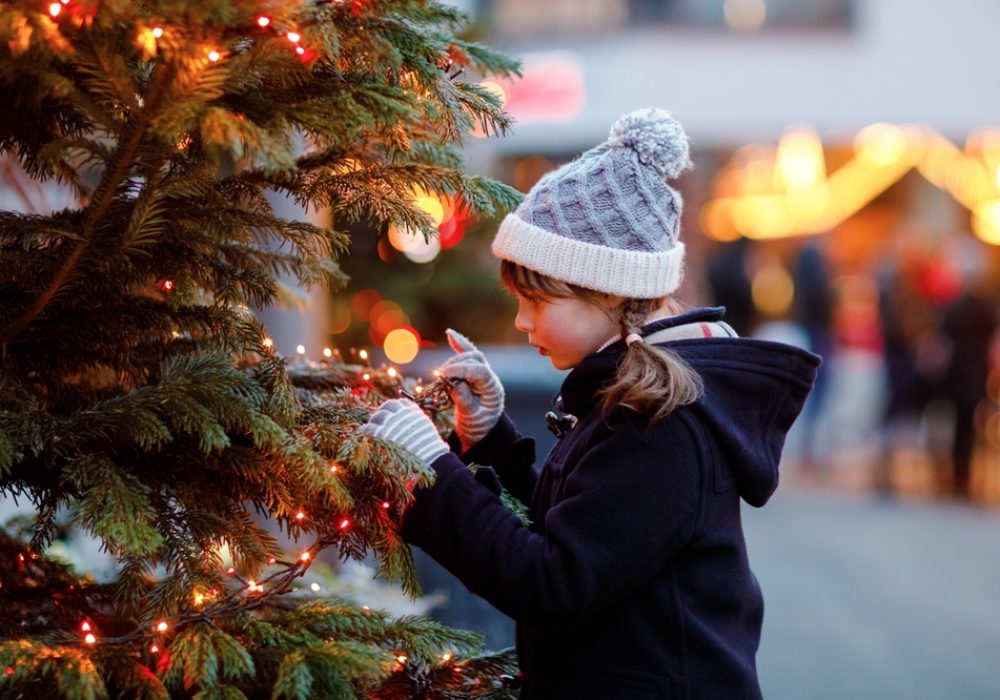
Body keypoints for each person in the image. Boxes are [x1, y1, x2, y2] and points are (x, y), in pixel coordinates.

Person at [361, 108, 820, 699]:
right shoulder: (629, 393)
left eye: (537, 300)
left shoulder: (663, 422)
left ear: (607, 290)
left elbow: (554, 582)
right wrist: (490, 442)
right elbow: (581, 529)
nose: (522, 321)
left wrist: (433, 472)